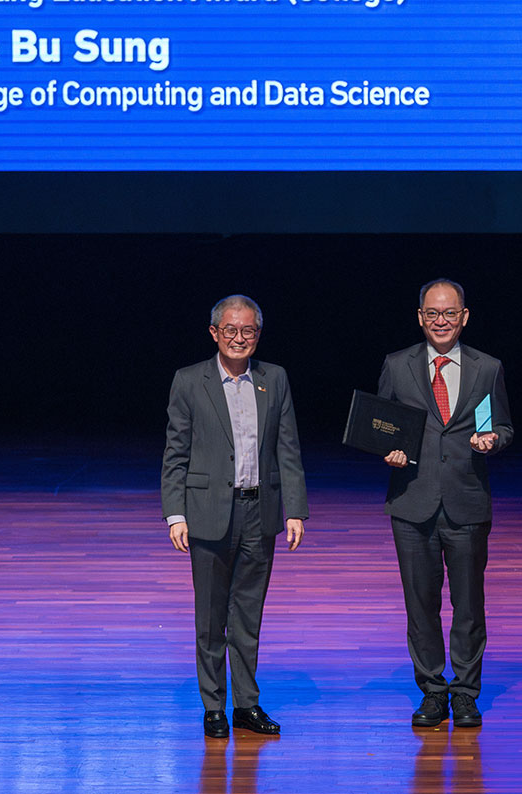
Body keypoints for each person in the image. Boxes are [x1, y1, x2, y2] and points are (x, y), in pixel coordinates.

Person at [161, 295, 309, 738]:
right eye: (231, 330)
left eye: (248, 331)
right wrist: (175, 514)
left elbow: (288, 449)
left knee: (248, 616)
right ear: (215, 334)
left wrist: (295, 510)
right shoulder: (189, 381)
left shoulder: (274, 379)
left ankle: (247, 704)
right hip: (206, 515)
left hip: (259, 513)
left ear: (257, 335)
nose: (239, 338)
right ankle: (213, 707)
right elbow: (176, 454)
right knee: (210, 619)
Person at [378, 279, 513, 728]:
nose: (441, 322)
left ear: (464, 316)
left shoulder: (486, 368)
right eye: (432, 314)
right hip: (412, 502)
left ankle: (466, 691)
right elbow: (382, 426)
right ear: (420, 317)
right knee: (420, 604)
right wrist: (389, 448)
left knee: (469, 605)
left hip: (466, 503)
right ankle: (433, 691)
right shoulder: (397, 366)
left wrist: (492, 440)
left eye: (449, 314)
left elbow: (502, 426)